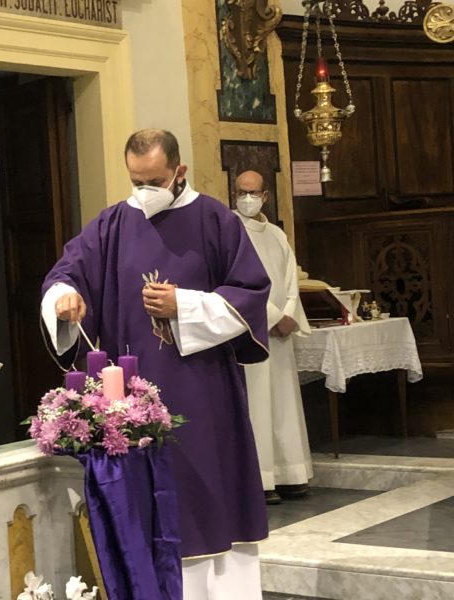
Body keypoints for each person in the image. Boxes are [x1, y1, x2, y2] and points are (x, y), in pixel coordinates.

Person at [41, 129, 271, 600]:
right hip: (132, 400)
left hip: (204, 392)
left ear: (179, 171)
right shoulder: (111, 225)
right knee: (147, 513)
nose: (144, 191)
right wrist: (64, 298)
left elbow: (250, 294)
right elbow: (66, 273)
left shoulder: (216, 220)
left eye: (154, 180)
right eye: (136, 181)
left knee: (209, 501)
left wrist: (182, 306)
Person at [233, 170, 313, 505]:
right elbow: (238, 282)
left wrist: (289, 314)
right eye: (241, 192)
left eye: (253, 193)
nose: (247, 199)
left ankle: (290, 473)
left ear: (265, 196)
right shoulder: (230, 230)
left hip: (281, 333)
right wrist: (273, 317)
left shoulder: (277, 234)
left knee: (283, 405)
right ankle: (263, 478)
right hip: (253, 332)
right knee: (259, 405)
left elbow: (290, 280)